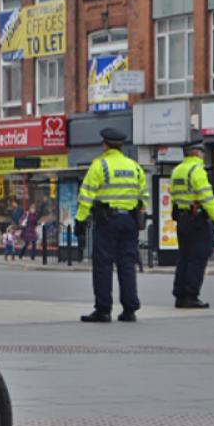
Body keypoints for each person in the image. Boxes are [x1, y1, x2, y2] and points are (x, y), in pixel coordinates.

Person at [74, 128, 149, 323]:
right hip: (129, 221)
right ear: (121, 146)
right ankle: (130, 309)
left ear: (105, 145)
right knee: (127, 264)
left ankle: (103, 310)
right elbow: (144, 195)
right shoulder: (134, 167)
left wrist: (80, 220)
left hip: (107, 221)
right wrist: (140, 214)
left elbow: (86, 195)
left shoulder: (100, 165)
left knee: (103, 265)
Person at [169, 138, 214, 309]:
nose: (203, 155)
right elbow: (207, 198)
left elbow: (174, 195)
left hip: (183, 219)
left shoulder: (177, 170)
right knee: (198, 258)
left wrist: (176, 211)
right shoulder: (197, 170)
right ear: (195, 152)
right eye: (201, 151)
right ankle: (191, 295)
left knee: (184, 257)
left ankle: (180, 294)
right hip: (197, 219)